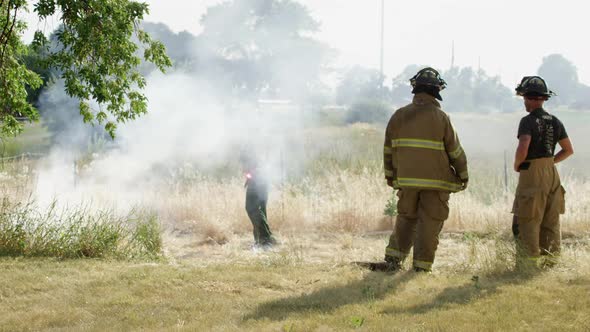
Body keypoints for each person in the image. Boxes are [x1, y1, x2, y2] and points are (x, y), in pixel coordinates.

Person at [365, 67, 468, 273]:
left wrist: (391, 176)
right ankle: (421, 268)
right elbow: (455, 150)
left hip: (407, 181)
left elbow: (388, 150)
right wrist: (463, 175)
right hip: (436, 182)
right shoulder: (441, 117)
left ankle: (393, 262)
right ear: (437, 91)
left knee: (405, 219)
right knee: (430, 223)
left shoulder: (398, 116)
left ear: (415, 89)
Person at [511, 76, 573, 268]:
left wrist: (517, 164)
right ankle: (550, 264)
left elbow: (524, 145)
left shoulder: (527, 121)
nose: (524, 102)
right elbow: (568, 150)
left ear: (529, 98)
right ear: (543, 98)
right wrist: (550, 162)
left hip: (532, 173)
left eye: (524, 98)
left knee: (528, 218)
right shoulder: (555, 121)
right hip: (552, 173)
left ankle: (526, 266)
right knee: (550, 220)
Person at [240, 148, 276, 249]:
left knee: (252, 209)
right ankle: (264, 239)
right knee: (260, 210)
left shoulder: (247, 148)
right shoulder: (252, 146)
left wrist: (251, 174)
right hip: (262, 181)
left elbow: (252, 167)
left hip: (257, 182)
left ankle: (265, 240)